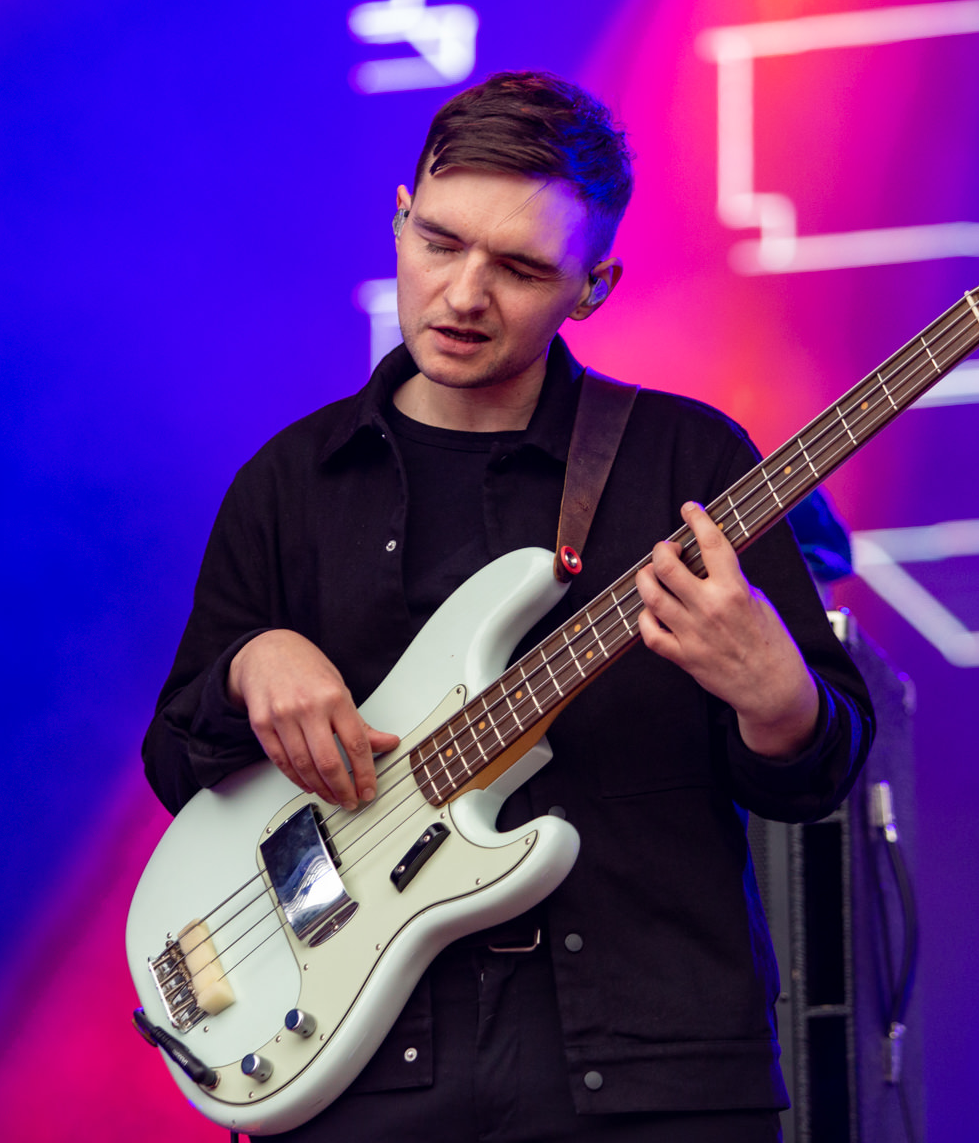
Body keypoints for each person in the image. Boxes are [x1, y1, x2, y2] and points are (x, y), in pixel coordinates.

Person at [142, 71, 873, 1142]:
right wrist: (253, 666)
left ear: (596, 285)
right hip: (363, 1084)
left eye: (522, 267)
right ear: (401, 218)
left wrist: (780, 699)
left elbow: (818, 776)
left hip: (651, 1079)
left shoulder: (688, 461)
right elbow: (176, 765)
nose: (463, 295)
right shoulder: (291, 484)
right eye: (440, 243)